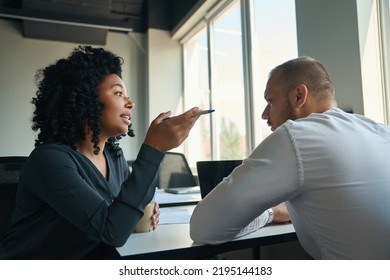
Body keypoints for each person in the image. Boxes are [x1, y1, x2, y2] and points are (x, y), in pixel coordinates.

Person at [0, 46, 201, 259]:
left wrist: (134, 218)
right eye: (118, 93)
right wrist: (155, 148)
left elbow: (116, 220)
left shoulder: (114, 157)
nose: (130, 103)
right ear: (87, 100)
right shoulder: (49, 160)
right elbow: (111, 231)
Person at [190, 56, 390, 259]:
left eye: (270, 101)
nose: (264, 114)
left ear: (299, 96)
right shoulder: (382, 131)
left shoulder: (295, 136)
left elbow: (204, 227)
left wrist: (272, 213)